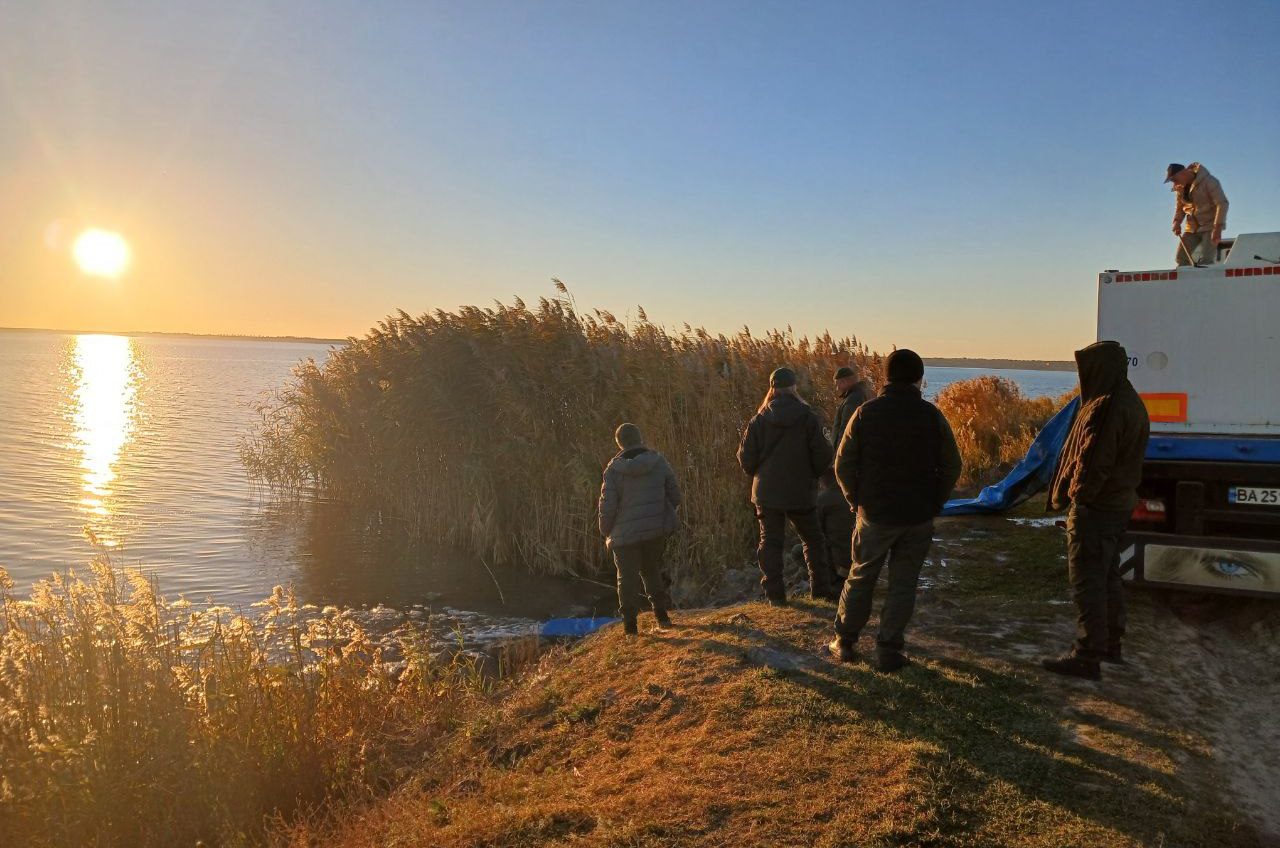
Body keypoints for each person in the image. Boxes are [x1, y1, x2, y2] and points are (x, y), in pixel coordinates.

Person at [828, 349, 962, 672]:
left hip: (873, 514)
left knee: (861, 577)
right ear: (920, 379)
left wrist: (854, 500)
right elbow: (952, 465)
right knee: (904, 583)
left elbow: (842, 466)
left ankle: (845, 642)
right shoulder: (932, 416)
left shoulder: (864, 414)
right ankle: (889, 649)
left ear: (885, 377)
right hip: (917, 516)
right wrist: (935, 502)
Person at [1042, 341, 1150, 680]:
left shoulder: (1106, 406)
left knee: (1088, 580)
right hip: (1117, 506)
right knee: (1107, 576)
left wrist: (1079, 499)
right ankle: (1111, 645)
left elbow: (1094, 462)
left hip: (1098, 509)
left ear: (1099, 368)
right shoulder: (1130, 401)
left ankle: (1087, 654)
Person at [738, 367, 839, 604]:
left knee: (770, 542)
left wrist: (759, 476)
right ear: (794, 387)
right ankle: (821, 590)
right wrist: (811, 475)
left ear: (772, 388)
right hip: (800, 490)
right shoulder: (808, 418)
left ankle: (775, 595)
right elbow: (824, 455)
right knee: (813, 540)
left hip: (767, 493)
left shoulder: (759, 420)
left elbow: (745, 458)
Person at [598, 422, 682, 635]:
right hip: (655, 530)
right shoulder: (658, 461)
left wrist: (606, 530)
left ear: (619, 443)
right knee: (651, 569)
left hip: (624, 534)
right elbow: (675, 496)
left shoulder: (613, 470)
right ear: (639, 438)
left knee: (626, 577)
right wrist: (660, 515)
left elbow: (607, 506)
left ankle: (630, 628)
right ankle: (662, 617)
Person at [1165, 162, 1229, 267]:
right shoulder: (1180, 188)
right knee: (1181, 258)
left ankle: (1206, 282)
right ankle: (1186, 282)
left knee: (1207, 260)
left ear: (1183, 173)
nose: (1174, 184)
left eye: (1174, 180)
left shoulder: (1209, 182)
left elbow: (1222, 204)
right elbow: (1180, 208)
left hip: (1210, 227)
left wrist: (1218, 228)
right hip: (1191, 228)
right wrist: (1176, 222)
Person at [830, 366, 873, 449]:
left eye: (837, 384)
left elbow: (846, 431)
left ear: (845, 381)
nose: (837, 388)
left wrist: (838, 455)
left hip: (848, 453)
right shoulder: (863, 394)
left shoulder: (852, 400)